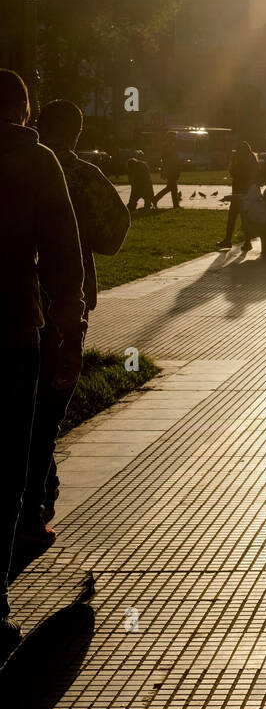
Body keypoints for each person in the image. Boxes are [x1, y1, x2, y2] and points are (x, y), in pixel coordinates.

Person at [0, 71, 86, 659]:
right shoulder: (37, 162)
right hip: (11, 329)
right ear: (24, 112)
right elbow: (62, 252)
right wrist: (67, 328)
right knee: (8, 462)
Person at [19, 100, 130, 545]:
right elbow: (114, 234)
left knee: (19, 401)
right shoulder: (81, 174)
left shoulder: (16, 162)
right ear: (78, 133)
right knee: (49, 404)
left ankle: (35, 492)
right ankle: (36, 500)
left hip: (14, 299)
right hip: (65, 300)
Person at [217, 141, 257, 250]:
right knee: (232, 216)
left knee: (245, 218)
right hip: (237, 191)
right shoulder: (238, 159)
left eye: (239, 151)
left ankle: (247, 242)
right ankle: (228, 240)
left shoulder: (250, 160)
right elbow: (232, 172)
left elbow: (252, 176)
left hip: (245, 193)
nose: (238, 153)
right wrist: (234, 163)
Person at [153, 130, 182, 208]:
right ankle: (156, 199)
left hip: (172, 169)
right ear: (170, 137)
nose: (175, 138)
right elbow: (167, 159)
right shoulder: (167, 146)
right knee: (172, 187)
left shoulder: (171, 145)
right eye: (174, 136)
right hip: (170, 170)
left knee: (172, 188)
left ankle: (175, 204)